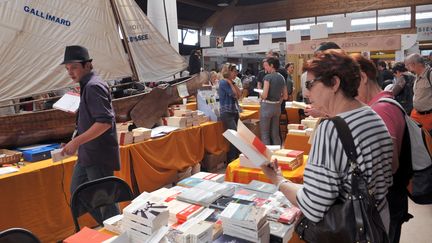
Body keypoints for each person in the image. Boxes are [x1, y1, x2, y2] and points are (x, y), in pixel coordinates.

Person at [261, 50, 393, 235]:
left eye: (310, 84)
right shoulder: (373, 115)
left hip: (352, 231)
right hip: (378, 223)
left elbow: (313, 207)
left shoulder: (331, 129)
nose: (306, 93)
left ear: (335, 83)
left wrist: (278, 180)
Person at [352, 54, 411, 243]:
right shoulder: (380, 105)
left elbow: (388, 167)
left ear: (362, 78)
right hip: (392, 198)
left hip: (387, 201)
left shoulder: (380, 111)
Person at [60, 45, 120, 221]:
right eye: (67, 68)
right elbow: (90, 122)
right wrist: (73, 141)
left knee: (106, 204)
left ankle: (115, 234)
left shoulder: (94, 86)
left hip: (98, 155)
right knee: (78, 195)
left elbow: (104, 122)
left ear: (88, 65)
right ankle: (109, 228)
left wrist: (76, 142)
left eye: (74, 67)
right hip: (87, 153)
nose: (70, 72)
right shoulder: (87, 86)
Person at [260, 57, 288, 145]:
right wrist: (279, 101)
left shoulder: (267, 77)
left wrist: (260, 94)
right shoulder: (282, 77)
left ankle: (267, 156)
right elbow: (286, 96)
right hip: (277, 107)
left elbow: (264, 95)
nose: (265, 68)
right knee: (275, 134)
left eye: (266, 66)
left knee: (265, 134)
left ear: (271, 66)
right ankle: (277, 154)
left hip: (267, 107)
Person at [218, 63, 241, 162]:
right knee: (234, 136)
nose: (236, 73)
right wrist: (231, 83)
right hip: (227, 113)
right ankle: (231, 159)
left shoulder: (231, 82)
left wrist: (233, 82)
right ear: (228, 71)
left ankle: (235, 157)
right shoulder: (223, 82)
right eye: (234, 71)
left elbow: (240, 95)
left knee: (236, 135)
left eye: (236, 71)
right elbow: (235, 94)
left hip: (234, 111)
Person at [405, 53, 432, 133]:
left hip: (428, 116)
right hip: (416, 114)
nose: (407, 69)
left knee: (428, 142)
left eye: (407, 65)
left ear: (413, 64)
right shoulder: (417, 75)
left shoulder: (430, 74)